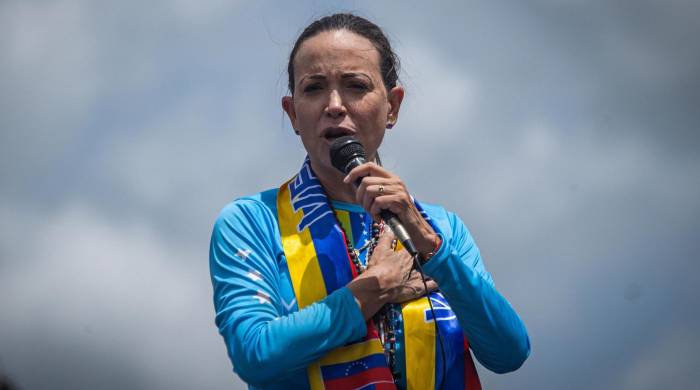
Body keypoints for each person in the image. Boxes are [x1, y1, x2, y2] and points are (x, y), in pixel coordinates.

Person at [210, 13, 529, 390]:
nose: (334, 105)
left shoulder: (442, 229)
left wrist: (431, 248)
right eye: (313, 88)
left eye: (355, 85)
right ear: (293, 113)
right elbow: (255, 355)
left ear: (392, 106)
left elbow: (509, 353)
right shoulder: (251, 222)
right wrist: (376, 287)